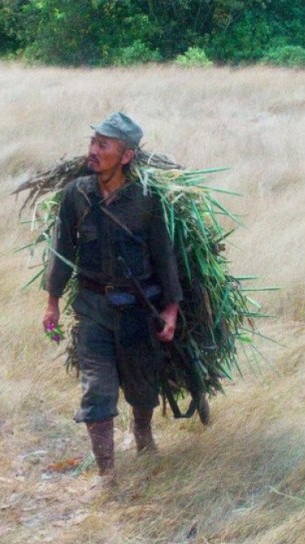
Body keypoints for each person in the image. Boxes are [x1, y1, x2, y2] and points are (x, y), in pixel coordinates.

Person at [42, 112, 183, 485]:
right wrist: (52, 301)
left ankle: (143, 435)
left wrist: (171, 308)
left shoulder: (146, 200)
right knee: (97, 391)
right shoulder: (77, 195)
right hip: (93, 310)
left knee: (141, 386)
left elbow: (163, 255)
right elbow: (62, 251)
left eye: (104, 145)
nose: (93, 151)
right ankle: (107, 475)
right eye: (93, 142)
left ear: (126, 156)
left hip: (139, 310)